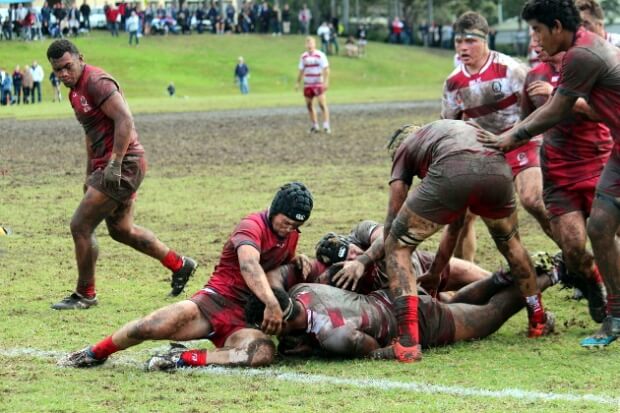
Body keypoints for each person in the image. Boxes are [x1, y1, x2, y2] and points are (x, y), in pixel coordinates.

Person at [476, 0, 620, 347]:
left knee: (601, 227)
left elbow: (558, 108)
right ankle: (615, 316)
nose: (535, 39)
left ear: (557, 27)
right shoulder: (575, 50)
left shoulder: (582, 55)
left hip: (604, 151)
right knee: (599, 228)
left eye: (538, 30)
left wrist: (509, 139)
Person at [56, 182, 314, 370]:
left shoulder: (290, 236)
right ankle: (95, 352)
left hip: (244, 319)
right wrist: (271, 303)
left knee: (261, 353)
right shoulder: (252, 225)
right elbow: (249, 265)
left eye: (296, 225)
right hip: (213, 303)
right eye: (286, 221)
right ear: (274, 209)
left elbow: (276, 260)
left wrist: (296, 258)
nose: (289, 228)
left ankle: (183, 359)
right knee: (152, 326)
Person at [374, 121, 553, 363]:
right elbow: (455, 225)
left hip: (453, 170)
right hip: (497, 170)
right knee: (511, 243)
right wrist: (435, 273)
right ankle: (538, 319)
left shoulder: (405, 148)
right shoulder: (447, 133)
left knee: (397, 245)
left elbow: (394, 211)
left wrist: (387, 254)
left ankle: (407, 343)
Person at [46, 40, 197, 309]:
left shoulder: (97, 82)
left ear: (81, 58)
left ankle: (85, 294)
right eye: (57, 71)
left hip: (124, 164)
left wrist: (114, 164)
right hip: (111, 166)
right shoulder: (74, 92)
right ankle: (180, 264)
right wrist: (89, 173)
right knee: (121, 230)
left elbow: (125, 119)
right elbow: (91, 135)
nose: (63, 74)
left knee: (80, 226)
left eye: (67, 67)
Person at [246, 262, 559, 360]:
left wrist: (314, 351)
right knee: (456, 304)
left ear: (276, 321)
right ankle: (501, 277)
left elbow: (375, 350)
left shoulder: (334, 337)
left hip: (417, 321)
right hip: (397, 299)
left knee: (491, 314)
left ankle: (555, 273)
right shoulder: (303, 290)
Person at [442, 11, 552, 263]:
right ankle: (465, 277)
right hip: (483, 151)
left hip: (521, 141)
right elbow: (449, 125)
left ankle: (574, 259)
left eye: (470, 41)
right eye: (459, 41)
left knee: (533, 200)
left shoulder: (510, 69)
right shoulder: (452, 82)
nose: (463, 47)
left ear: (485, 40)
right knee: (463, 216)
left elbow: (538, 111)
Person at [521, 34, 610, 323]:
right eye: (531, 35)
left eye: (540, 34)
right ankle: (594, 284)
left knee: (611, 239)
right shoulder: (533, 77)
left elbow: (604, 113)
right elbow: (525, 123)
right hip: (559, 173)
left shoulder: (589, 66)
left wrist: (560, 98)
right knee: (572, 250)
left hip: (600, 165)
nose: (535, 43)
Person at [313, 220, 491, 296]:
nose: (353, 256)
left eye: (350, 250)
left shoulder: (360, 232)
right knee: (459, 304)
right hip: (406, 294)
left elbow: (389, 237)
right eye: (347, 259)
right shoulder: (342, 279)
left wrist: (362, 261)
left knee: (485, 278)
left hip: (419, 264)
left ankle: (517, 285)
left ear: (349, 241)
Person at [296, 36, 330, 134]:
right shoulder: (303, 56)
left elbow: (326, 69)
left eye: (311, 43)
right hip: (308, 83)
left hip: (318, 82)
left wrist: (326, 81)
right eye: (308, 43)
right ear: (305, 45)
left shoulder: (320, 55)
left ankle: (326, 125)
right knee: (309, 105)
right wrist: (298, 82)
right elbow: (301, 70)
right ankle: (315, 125)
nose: (309, 45)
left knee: (322, 104)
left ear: (314, 44)